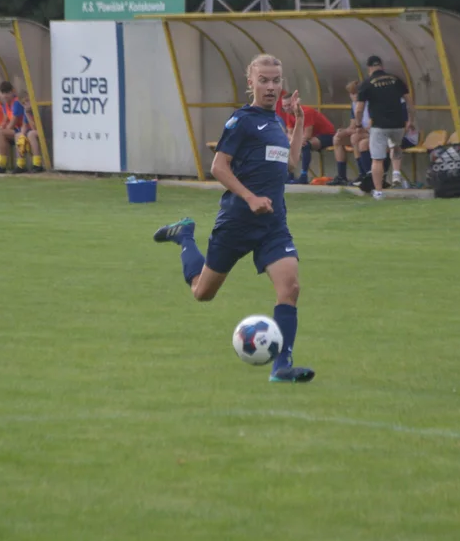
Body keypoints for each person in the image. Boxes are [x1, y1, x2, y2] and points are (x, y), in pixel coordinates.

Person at [152, 53, 314, 384]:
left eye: (277, 80)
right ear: (250, 82)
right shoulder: (241, 121)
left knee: (291, 286)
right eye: (264, 80)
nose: (271, 87)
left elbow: (294, 165)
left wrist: (297, 122)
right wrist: (250, 197)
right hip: (238, 221)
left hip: (272, 223)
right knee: (203, 292)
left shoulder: (276, 123)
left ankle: (281, 367)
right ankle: (184, 236)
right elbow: (218, 167)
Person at [354, 55, 413, 200]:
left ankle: (379, 191)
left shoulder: (367, 83)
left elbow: (359, 109)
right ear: (382, 65)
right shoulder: (396, 79)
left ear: (369, 68)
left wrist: (358, 123)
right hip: (398, 123)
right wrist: (410, 120)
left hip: (379, 126)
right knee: (396, 146)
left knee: (377, 159)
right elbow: (409, 102)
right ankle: (396, 173)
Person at [277, 92, 335, 184]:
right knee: (287, 144)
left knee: (305, 145)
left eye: (289, 105)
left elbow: (307, 134)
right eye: (284, 106)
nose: (287, 108)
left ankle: (303, 176)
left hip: (327, 135)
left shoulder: (306, 112)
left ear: (295, 103)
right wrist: (293, 142)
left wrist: (297, 142)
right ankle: (289, 174)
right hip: (311, 137)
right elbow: (289, 133)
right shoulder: (289, 114)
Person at [327, 80, 369, 186]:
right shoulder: (354, 105)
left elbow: (369, 127)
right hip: (360, 133)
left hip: (372, 134)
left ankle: (363, 174)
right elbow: (353, 126)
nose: (353, 96)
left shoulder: (368, 104)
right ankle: (341, 176)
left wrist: (348, 131)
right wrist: (344, 131)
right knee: (337, 139)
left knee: (355, 138)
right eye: (351, 94)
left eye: (355, 93)